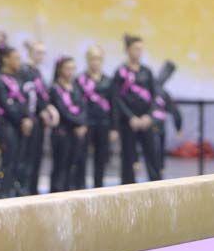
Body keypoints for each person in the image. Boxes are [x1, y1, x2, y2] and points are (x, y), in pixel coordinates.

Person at [113, 35, 161, 185]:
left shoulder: (147, 71)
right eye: (136, 49)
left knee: (152, 156)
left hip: (145, 121)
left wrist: (148, 116)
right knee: (128, 159)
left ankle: (156, 186)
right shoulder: (121, 72)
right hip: (129, 123)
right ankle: (127, 189)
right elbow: (116, 99)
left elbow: (155, 97)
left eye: (141, 49)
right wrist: (130, 117)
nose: (139, 52)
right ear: (128, 50)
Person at [0, 46, 33, 199]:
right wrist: (22, 120)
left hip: (21, 124)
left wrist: (28, 118)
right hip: (7, 124)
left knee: (18, 159)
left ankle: (14, 188)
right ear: (6, 59)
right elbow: (6, 105)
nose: (18, 62)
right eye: (15, 58)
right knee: (7, 159)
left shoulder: (20, 77)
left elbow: (26, 101)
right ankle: (1, 191)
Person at [20, 41, 59, 195]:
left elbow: (43, 97)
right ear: (31, 52)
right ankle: (23, 188)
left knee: (36, 157)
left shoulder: (38, 72)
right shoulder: (25, 71)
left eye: (43, 53)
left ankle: (32, 188)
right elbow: (26, 97)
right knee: (27, 157)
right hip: (30, 119)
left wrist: (49, 109)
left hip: (39, 122)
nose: (41, 56)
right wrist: (36, 112)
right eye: (38, 52)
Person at [75, 46, 116, 189]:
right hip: (86, 124)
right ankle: (80, 187)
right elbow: (76, 104)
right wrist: (78, 123)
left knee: (101, 158)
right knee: (81, 157)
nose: (95, 62)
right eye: (92, 58)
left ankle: (99, 187)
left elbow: (114, 105)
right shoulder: (80, 80)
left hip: (103, 124)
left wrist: (114, 128)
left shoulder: (108, 81)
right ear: (87, 60)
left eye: (98, 59)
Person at [49, 57, 88, 193]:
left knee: (73, 165)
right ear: (60, 70)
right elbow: (63, 111)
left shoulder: (76, 87)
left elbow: (83, 106)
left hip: (76, 133)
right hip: (62, 132)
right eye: (68, 68)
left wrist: (83, 124)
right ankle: (57, 192)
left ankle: (69, 191)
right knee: (61, 166)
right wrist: (78, 124)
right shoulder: (55, 88)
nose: (71, 72)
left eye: (73, 68)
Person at [152, 61, 183, 174]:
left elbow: (175, 111)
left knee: (158, 149)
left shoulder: (163, 93)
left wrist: (178, 127)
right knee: (155, 149)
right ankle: (158, 169)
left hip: (159, 125)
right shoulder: (154, 90)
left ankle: (160, 169)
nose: (165, 76)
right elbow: (175, 111)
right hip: (151, 125)